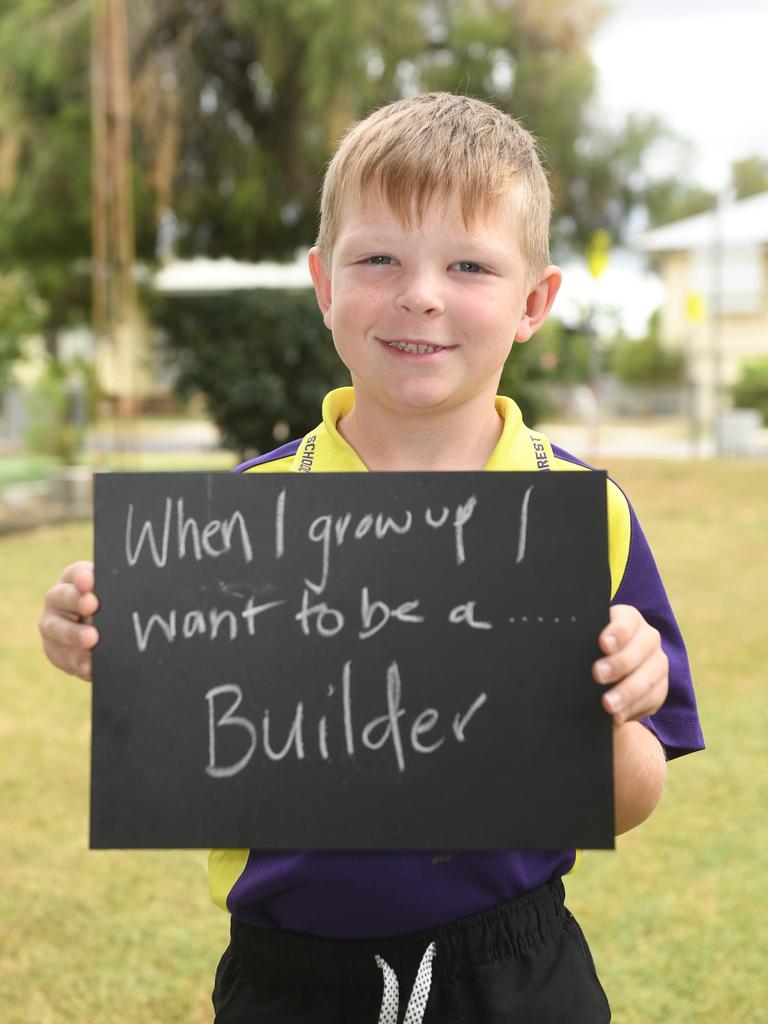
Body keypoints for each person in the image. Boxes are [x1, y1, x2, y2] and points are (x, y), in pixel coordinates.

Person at [39, 93, 704, 1023]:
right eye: (378, 258)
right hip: (289, 979)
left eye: (469, 265)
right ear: (322, 283)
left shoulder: (583, 516)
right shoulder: (244, 516)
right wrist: (101, 639)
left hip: (516, 970)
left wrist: (619, 706)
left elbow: (633, 798)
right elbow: (188, 732)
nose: (420, 293)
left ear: (535, 303)